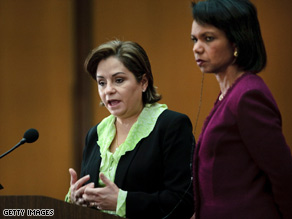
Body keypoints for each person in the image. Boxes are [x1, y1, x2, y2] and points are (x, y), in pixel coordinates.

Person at [65, 40, 194, 219]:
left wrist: (122, 202)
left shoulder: (170, 126)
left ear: (143, 82)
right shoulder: (95, 134)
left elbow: (183, 202)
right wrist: (77, 199)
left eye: (119, 80)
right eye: (102, 83)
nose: (108, 90)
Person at [190, 0, 292, 218]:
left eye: (208, 38)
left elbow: (283, 174)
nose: (196, 47)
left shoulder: (248, 95)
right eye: (194, 39)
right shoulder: (230, 93)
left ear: (236, 42)